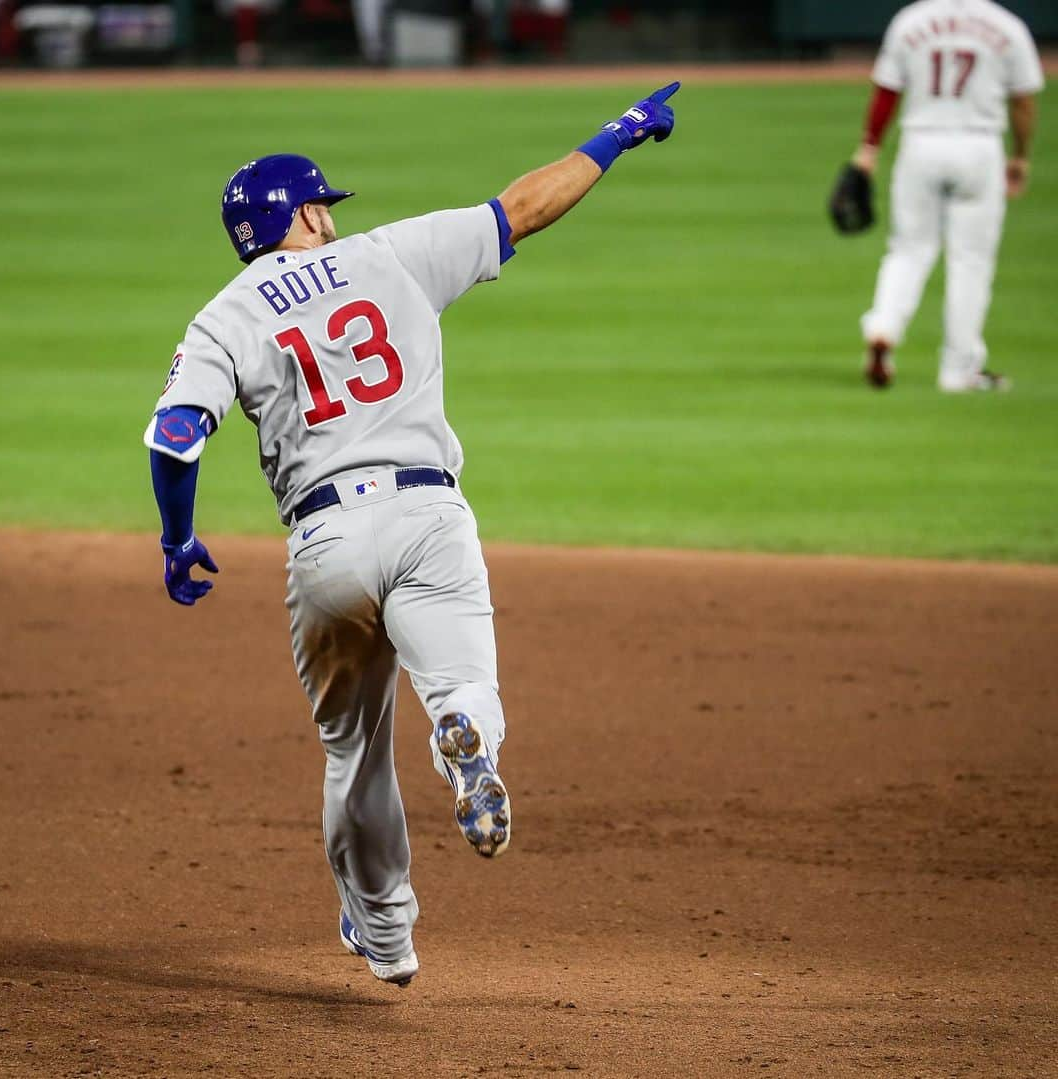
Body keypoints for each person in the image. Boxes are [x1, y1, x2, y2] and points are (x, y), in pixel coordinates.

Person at [143, 83, 680, 987]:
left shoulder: (223, 315)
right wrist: (617, 134)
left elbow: (176, 437)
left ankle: (387, 939)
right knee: (462, 677)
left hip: (328, 544)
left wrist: (177, 538)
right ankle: (465, 732)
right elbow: (522, 207)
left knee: (353, 752)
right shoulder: (390, 255)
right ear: (308, 213)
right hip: (430, 514)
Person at [850, 0, 1044, 391]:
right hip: (979, 146)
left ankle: (884, 326)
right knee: (970, 260)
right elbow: (1023, 101)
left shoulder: (912, 20)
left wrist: (869, 148)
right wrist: (1021, 156)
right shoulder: (1006, 26)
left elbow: (887, 91)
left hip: (920, 142)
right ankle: (960, 369)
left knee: (908, 248)